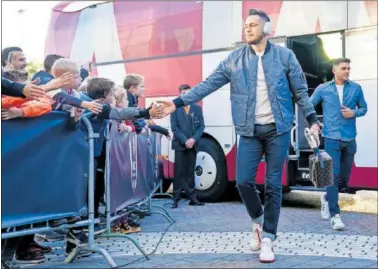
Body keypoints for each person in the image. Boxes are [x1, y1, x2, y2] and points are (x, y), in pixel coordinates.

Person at [157, 8, 320, 263]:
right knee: (244, 181)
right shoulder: (234, 59)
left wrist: (311, 121)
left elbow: (300, 92)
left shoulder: (285, 57)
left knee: (274, 185)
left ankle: (268, 239)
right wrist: (177, 102)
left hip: (278, 129)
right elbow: (206, 85)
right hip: (249, 131)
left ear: (267, 30)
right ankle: (258, 221)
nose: (248, 28)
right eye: (246, 25)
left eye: (253, 25)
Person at [310, 58, 367, 230]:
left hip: (349, 139)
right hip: (331, 138)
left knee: (344, 178)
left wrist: (354, 112)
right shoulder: (323, 89)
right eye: (344, 68)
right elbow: (309, 106)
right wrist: (314, 122)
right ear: (334, 71)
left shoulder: (356, 88)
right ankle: (335, 216)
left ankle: (327, 198)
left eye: (349, 68)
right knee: (333, 176)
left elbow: (364, 108)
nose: (347, 71)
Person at [170, 84, 205, 208]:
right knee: (179, 172)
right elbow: (174, 128)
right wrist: (185, 140)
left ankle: (193, 198)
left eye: (189, 93)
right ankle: (175, 198)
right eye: (184, 93)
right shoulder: (174, 108)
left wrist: (193, 139)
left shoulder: (197, 108)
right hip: (180, 145)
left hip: (193, 145)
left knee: (190, 172)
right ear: (180, 94)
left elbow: (201, 126)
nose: (186, 95)